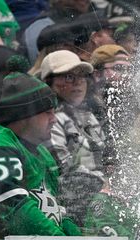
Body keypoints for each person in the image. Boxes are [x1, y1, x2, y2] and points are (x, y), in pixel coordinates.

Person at [0, 68, 82, 239]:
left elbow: (59, 210)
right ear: (25, 114)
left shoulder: (42, 153)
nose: (54, 119)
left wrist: (78, 239)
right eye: (47, 113)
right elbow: (14, 209)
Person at [40, 50, 105, 228]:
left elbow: (106, 159)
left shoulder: (89, 115)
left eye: (81, 76)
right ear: (48, 83)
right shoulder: (50, 120)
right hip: (68, 207)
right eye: (68, 77)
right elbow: (62, 169)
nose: (77, 83)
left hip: (97, 198)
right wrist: (104, 186)